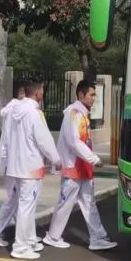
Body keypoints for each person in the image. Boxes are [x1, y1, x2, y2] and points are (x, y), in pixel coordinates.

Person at [43, 80, 118, 251]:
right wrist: (93, 159)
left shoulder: (82, 113)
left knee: (89, 203)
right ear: (81, 94)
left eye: (94, 95)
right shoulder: (74, 113)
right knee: (66, 203)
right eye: (91, 95)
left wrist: (90, 160)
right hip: (73, 167)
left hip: (82, 167)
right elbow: (74, 142)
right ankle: (53, 236)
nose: (93, 98)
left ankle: (97, 238)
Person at [2, 79, 61, 260]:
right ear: (37, 92)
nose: (43, 93)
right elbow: (44, 139)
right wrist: (56, 159)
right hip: (31, 166)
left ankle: (28, 240)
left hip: (16, 165)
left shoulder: (14, 111)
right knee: (26, 207)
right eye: (42, 90)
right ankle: (20, 246)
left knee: (25, 205)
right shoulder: (34, 113)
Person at [0, 79, 28, 248]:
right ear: (21, 93)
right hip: (13, 161)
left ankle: (25, 234)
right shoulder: (17, 110)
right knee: (14, 198)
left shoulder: (11, 110)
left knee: (16, 198)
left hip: (10, 160)